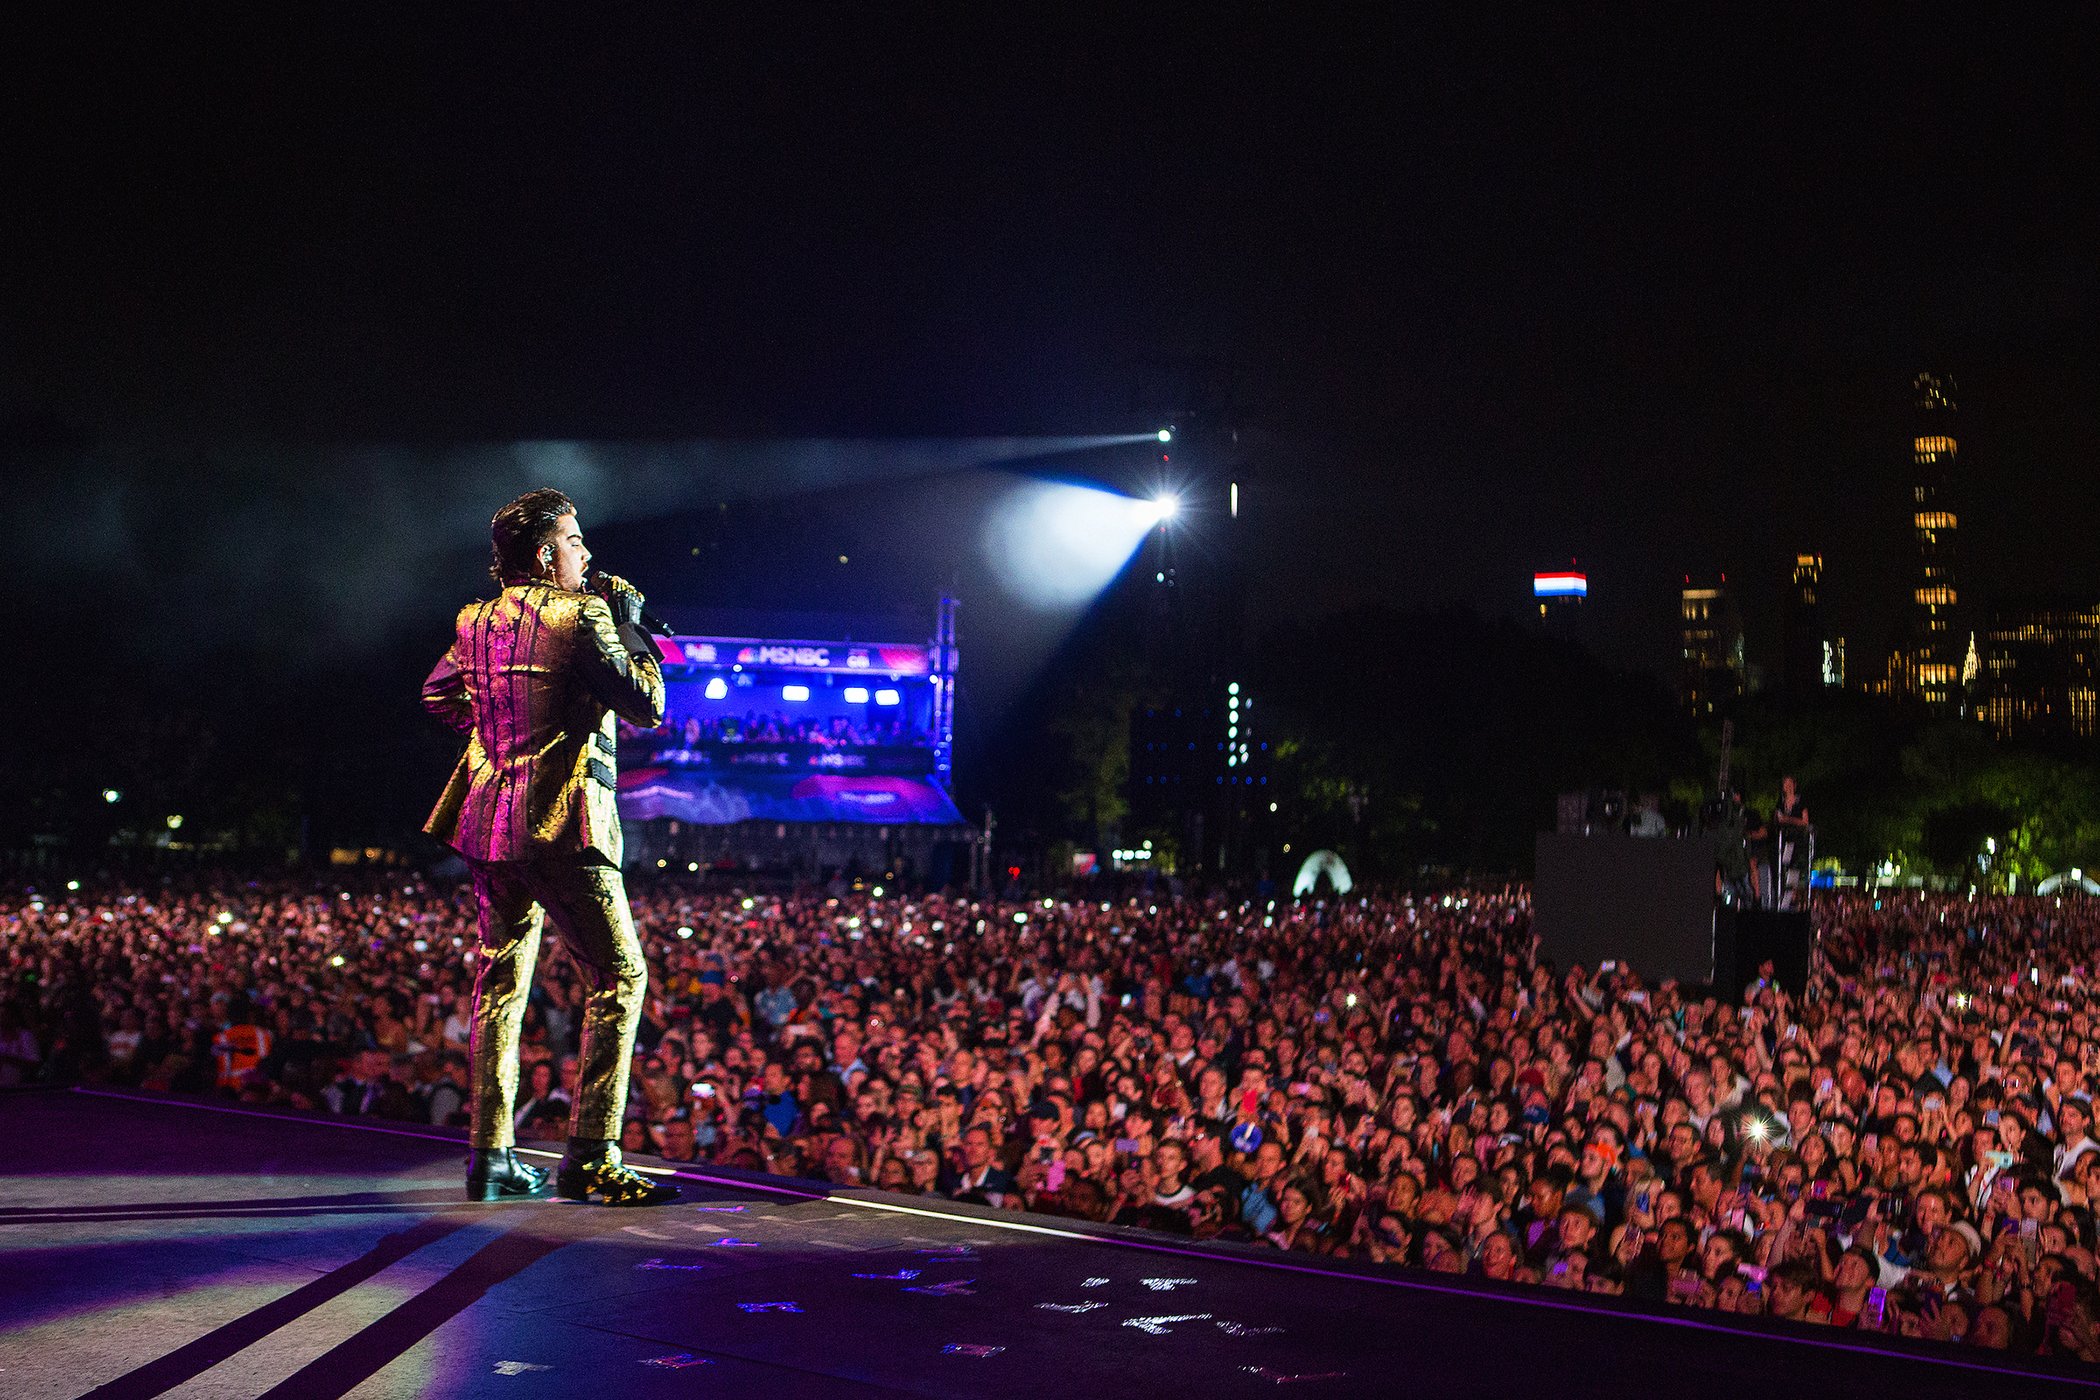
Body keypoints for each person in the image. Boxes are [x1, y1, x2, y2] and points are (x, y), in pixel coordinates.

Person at [422, 488, 676, 1207]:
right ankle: (592, 1155)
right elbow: (648, 704)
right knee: (620, 978)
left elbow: (439, 697)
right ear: (543, 553)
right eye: (575, 540)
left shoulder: (474, 622)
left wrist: (502, 729)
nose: (587, 554)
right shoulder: (584, 612)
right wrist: (630, 626)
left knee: (498, 984)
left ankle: (490, 1157)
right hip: (566, 826)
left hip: (486, 821)